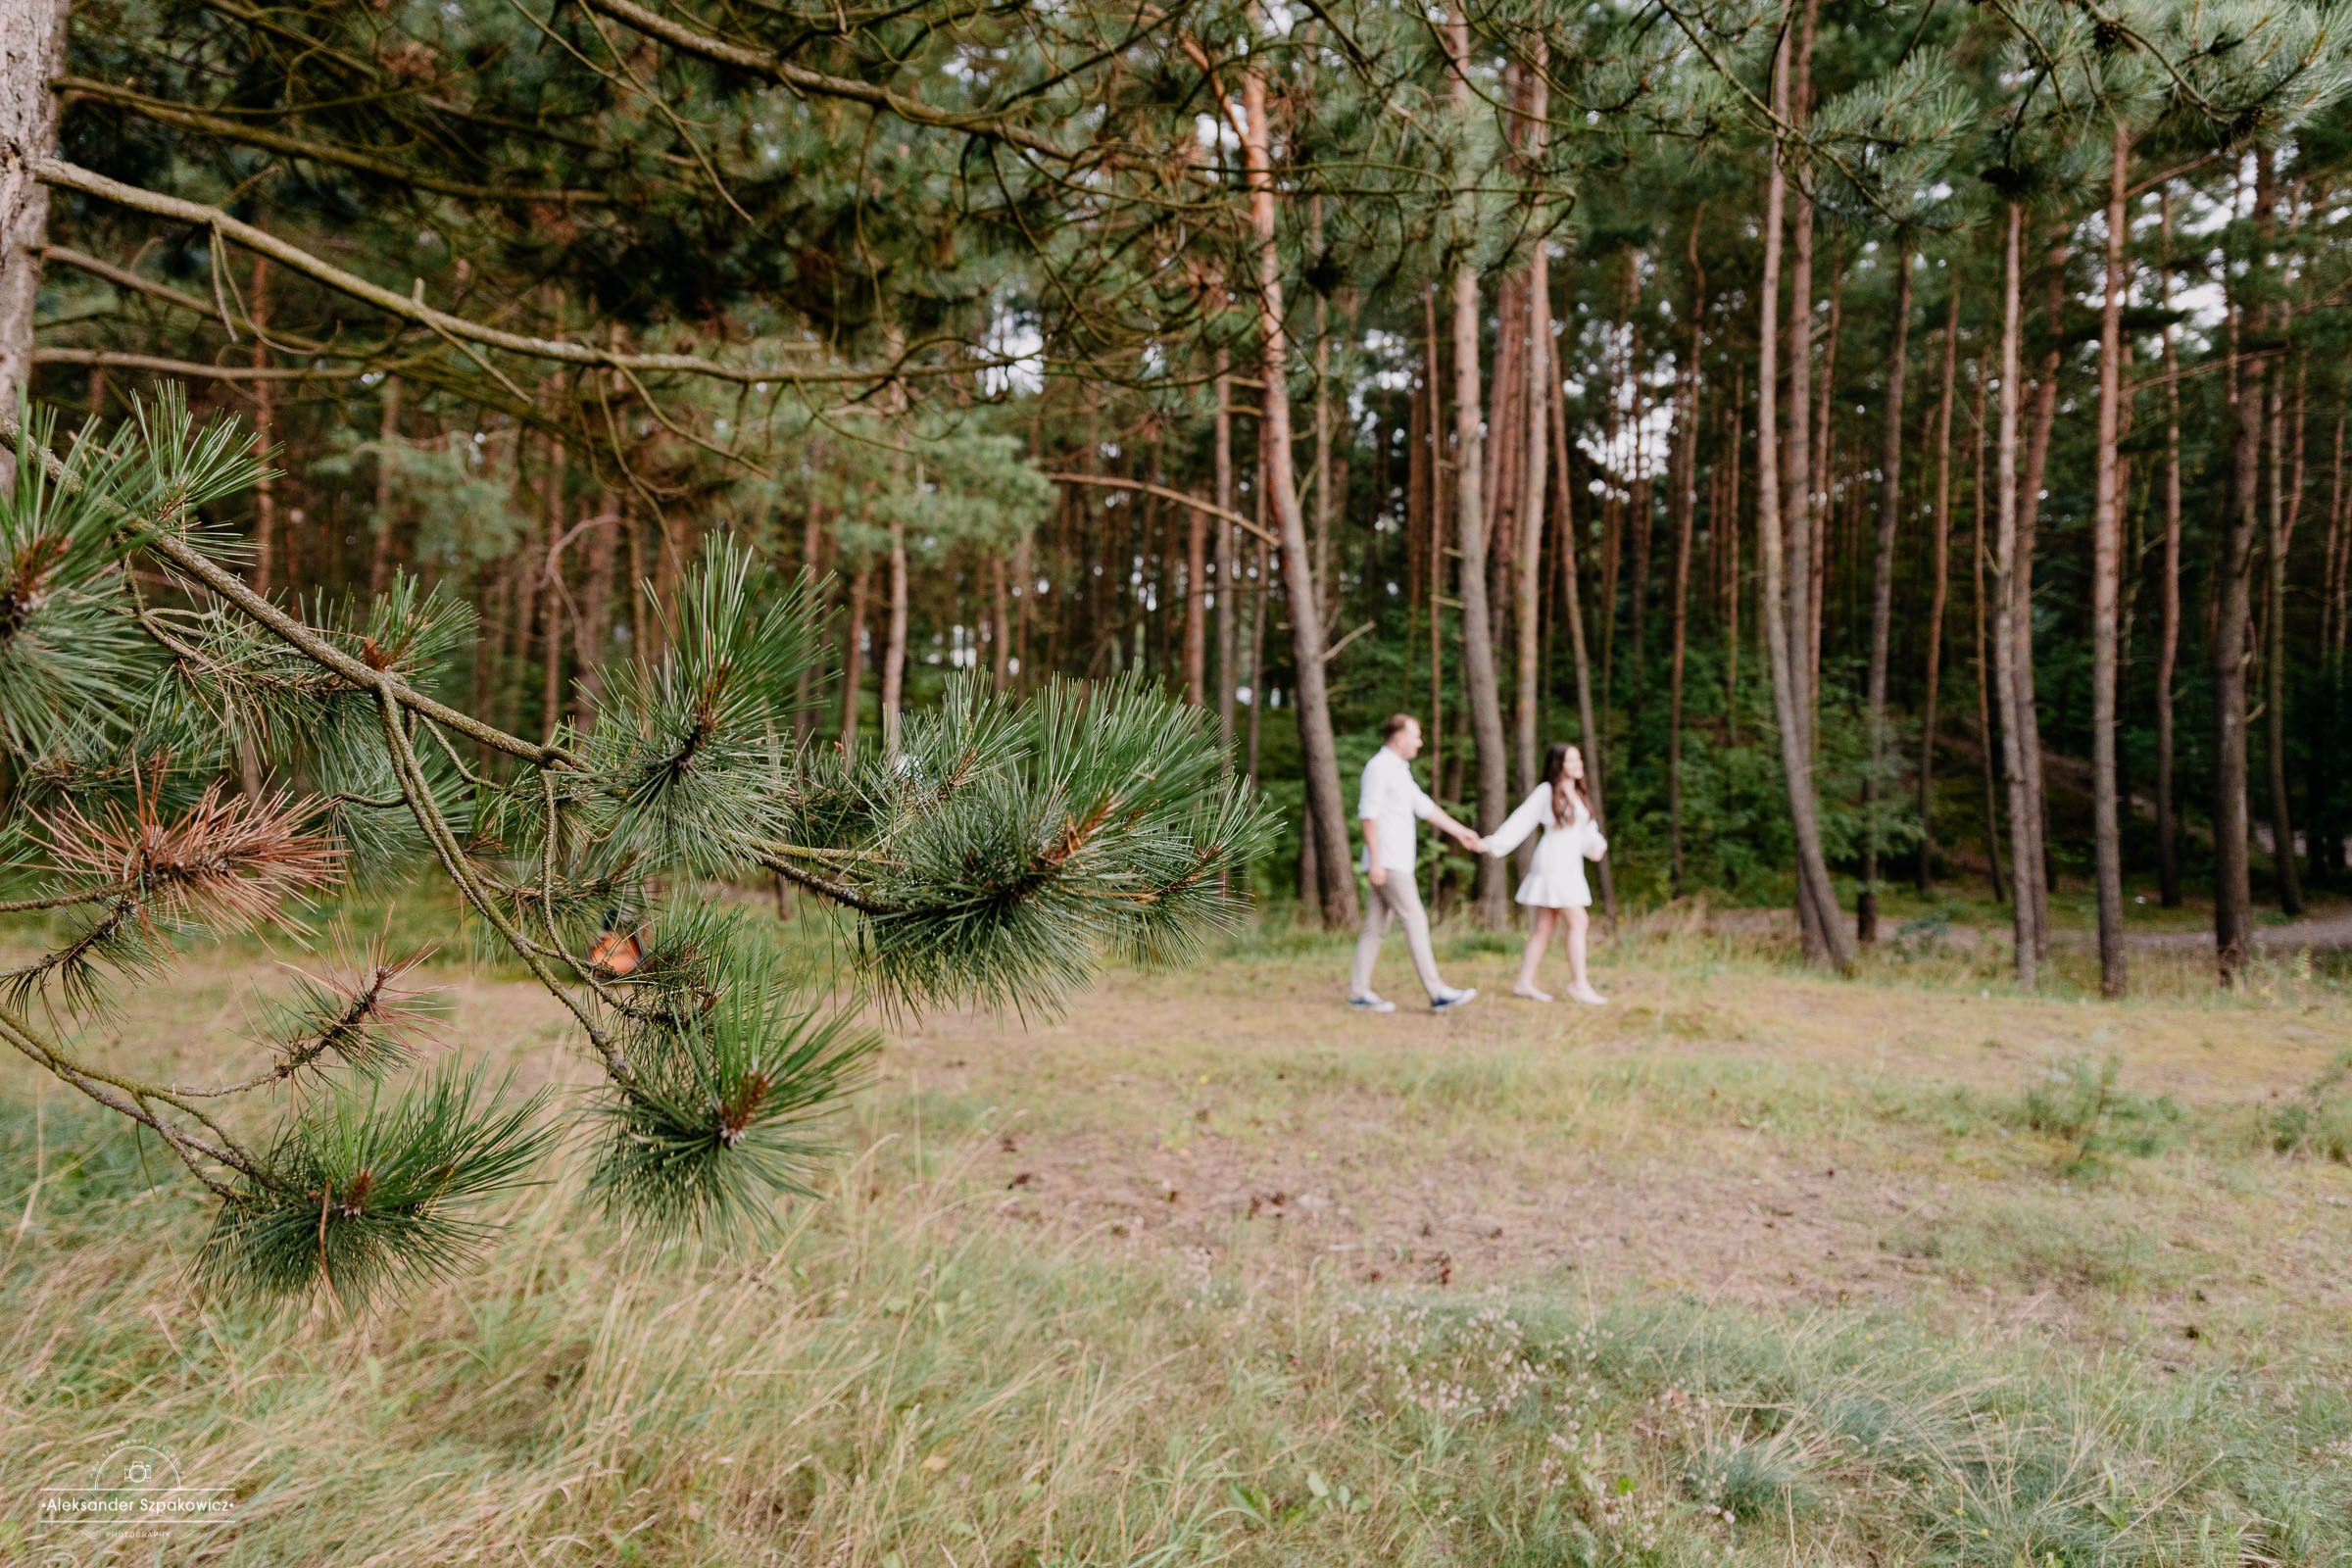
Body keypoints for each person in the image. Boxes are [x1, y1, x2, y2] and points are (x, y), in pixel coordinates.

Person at [1350, 713, 1483, 1013]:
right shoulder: (1379, 768)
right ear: (1399, 738)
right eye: (1416, 736)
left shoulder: (1399, 770)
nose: (1420, 742)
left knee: (1374, 928)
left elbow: (1425, 807)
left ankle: (1359, 992)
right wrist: (1376, 862)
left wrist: (1461, 832)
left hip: (1392, 862)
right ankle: (1437, 993)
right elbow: (1367, 816)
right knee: (1416, 921)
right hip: (1389, 863)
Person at [1483, 742, 1609, 1004]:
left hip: (1571, 863)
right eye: (1571, 761)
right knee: (1579, 921)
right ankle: (1579, 984)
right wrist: (1494, 844)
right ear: (1558, 765)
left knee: (1545, 926)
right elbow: (1521, 820)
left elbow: (1586, 830)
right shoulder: (1546, 791)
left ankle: (1524, 983)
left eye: (1579, 760)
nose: (1578, 765)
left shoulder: (1578, 792)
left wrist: (1596, 845)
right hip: (1553, 862)